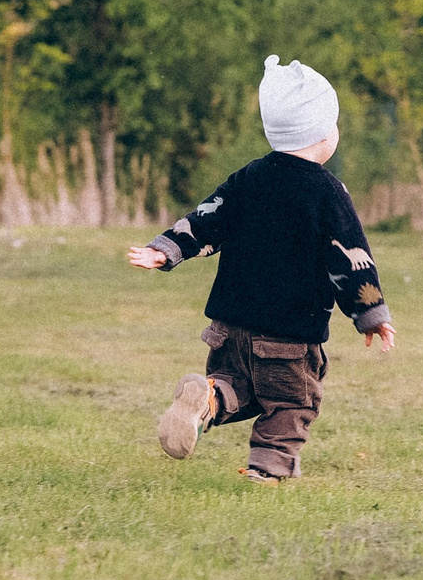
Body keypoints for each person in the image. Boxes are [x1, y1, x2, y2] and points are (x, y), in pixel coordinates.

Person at [126, 56, 394, 481]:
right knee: (292, 403)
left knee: (242, 388)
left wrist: (166, 250)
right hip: (289, 334)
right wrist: (370, 314)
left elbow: (205, 219)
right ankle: (268, 469)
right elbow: (349, 255)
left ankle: (209, 398)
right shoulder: (327, 192)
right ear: (326, 133)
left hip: (229, 327)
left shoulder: (249, 177)